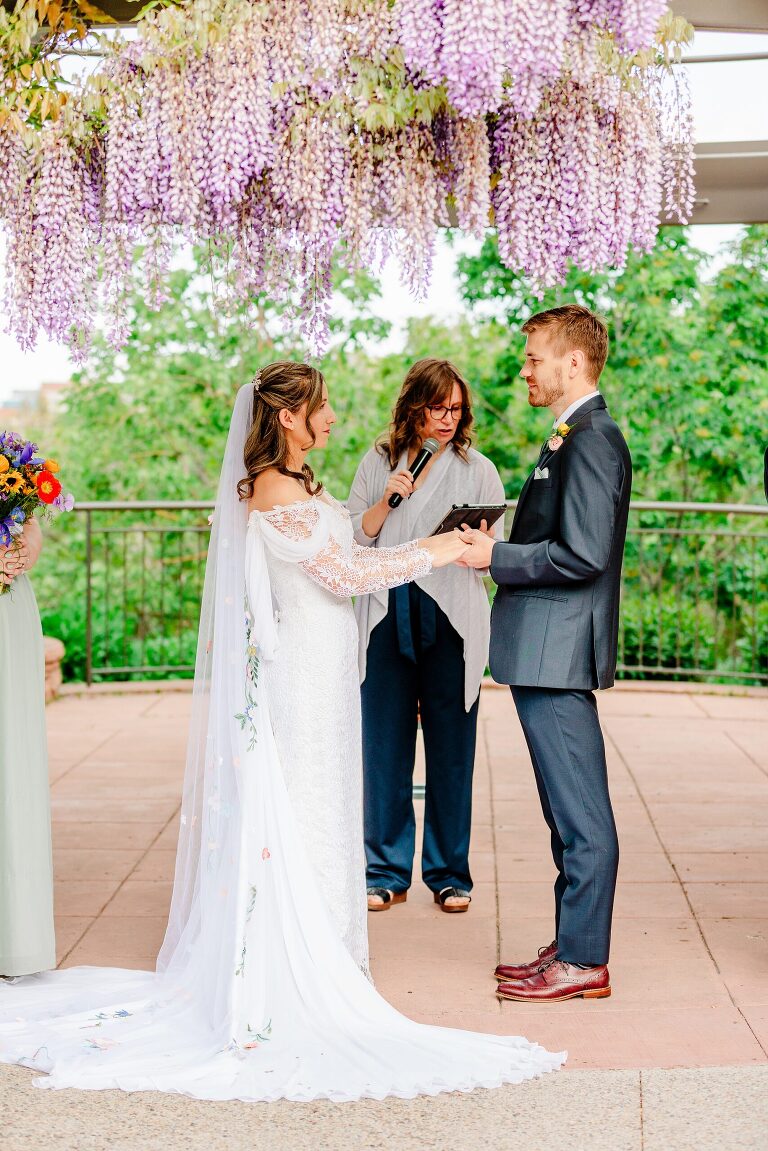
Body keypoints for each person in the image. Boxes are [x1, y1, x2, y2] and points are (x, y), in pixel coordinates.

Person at [0, 363, 563, 1100]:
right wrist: (440, 550)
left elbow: (352, 556)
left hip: (327, 671)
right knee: (304, 807)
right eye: (321, 407)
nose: (331, 417)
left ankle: (330, 952)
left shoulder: (309, 484)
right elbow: (342, 574)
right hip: (299, 675)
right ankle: (295, 967)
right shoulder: (270, 484)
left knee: (330, 805)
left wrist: (434, 545)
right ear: (290, 416)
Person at [459, 306, 631, 1004]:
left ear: (573, 364)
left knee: (582, 815)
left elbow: (584, 554)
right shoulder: (569, 436)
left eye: (533, 358)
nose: (524, 369)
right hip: (541, 652)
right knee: (565, 814)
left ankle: (585, 959)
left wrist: (495, 555)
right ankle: (570, 942)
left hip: (558, 652)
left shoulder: (592, 438)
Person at [348, 359, 505, 914]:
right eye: (438, 407)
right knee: (383, 748)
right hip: (387, 616)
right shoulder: (377, 461)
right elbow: (351, 544)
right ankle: (384, 870)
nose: (447, 418)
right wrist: (385, 500)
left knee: (451, 749)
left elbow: (493, 555)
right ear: (414, 405)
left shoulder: (479, 469)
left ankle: (448, 872)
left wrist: (471, 548)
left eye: (456, 409)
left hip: (452, 619)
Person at [0, 517, 56, 981]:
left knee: (12, 764)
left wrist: (23, 553)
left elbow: (29, 523)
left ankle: (14, 936)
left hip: (9, 605)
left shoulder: (10, 454)